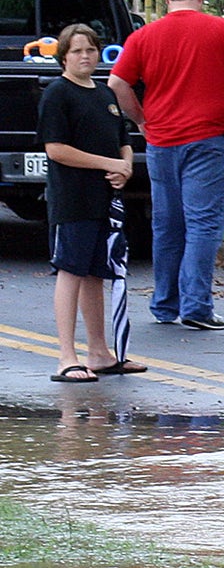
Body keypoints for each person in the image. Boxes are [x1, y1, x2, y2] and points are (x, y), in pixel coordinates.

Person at [108, 0, 224, 331]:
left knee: (167, 224)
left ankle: (165, 303)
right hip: (207, 140)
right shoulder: (223, 30)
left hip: (162, 141)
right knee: (203, 222)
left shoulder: (143, 36)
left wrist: (142, 121)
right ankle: (196, 305)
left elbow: (117, 82)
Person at [39, 24, 143, 382]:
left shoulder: (104, 94)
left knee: (96, 274)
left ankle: (99, 352)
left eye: (91, 49)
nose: (85, 56)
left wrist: (124, 166)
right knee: (70, 271)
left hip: (106, 199)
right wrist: (107, 164)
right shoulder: (57, 94)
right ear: (63, 56)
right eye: (77, 50)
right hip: (73, 199)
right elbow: (56, 150)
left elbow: (123, 140)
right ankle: (67, 356)